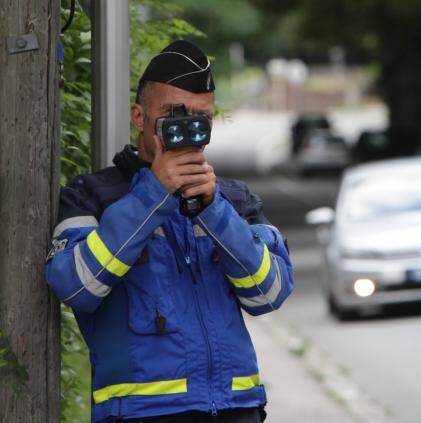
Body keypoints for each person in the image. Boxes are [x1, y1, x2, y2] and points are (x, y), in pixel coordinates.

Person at [44, 40, 294, 423]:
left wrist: (213, 212)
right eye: (174, 115)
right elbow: (77, 287)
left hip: (237, 409)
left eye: (201, 118)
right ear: (140, 117)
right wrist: (153, 197)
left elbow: (270, 293)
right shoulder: (93, 196)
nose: (188, 128)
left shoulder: (234, 201)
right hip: (143, 414)